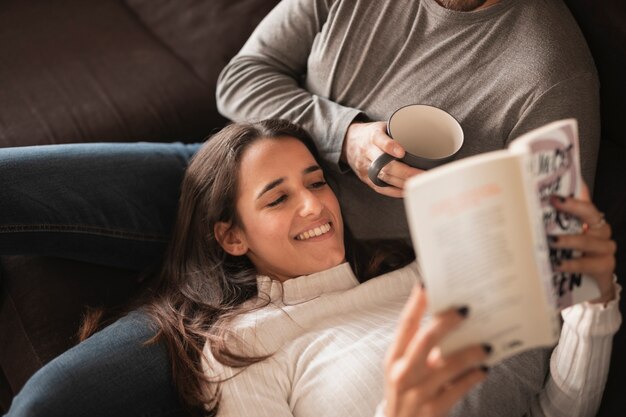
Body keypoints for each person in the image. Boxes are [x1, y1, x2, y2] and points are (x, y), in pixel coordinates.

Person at [2, 0, 604, 415]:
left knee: (54, 399)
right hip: (244, 170)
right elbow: (241, 79)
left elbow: (537, 268)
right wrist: (344, 134)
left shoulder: (547, 75)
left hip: (338, 265)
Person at [100, 120, 621, 416]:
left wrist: (592, 307)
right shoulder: (243, 348)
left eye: (316, 182)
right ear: (231, 236)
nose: (314, 206)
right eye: (278, 198)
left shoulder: (421, 275)